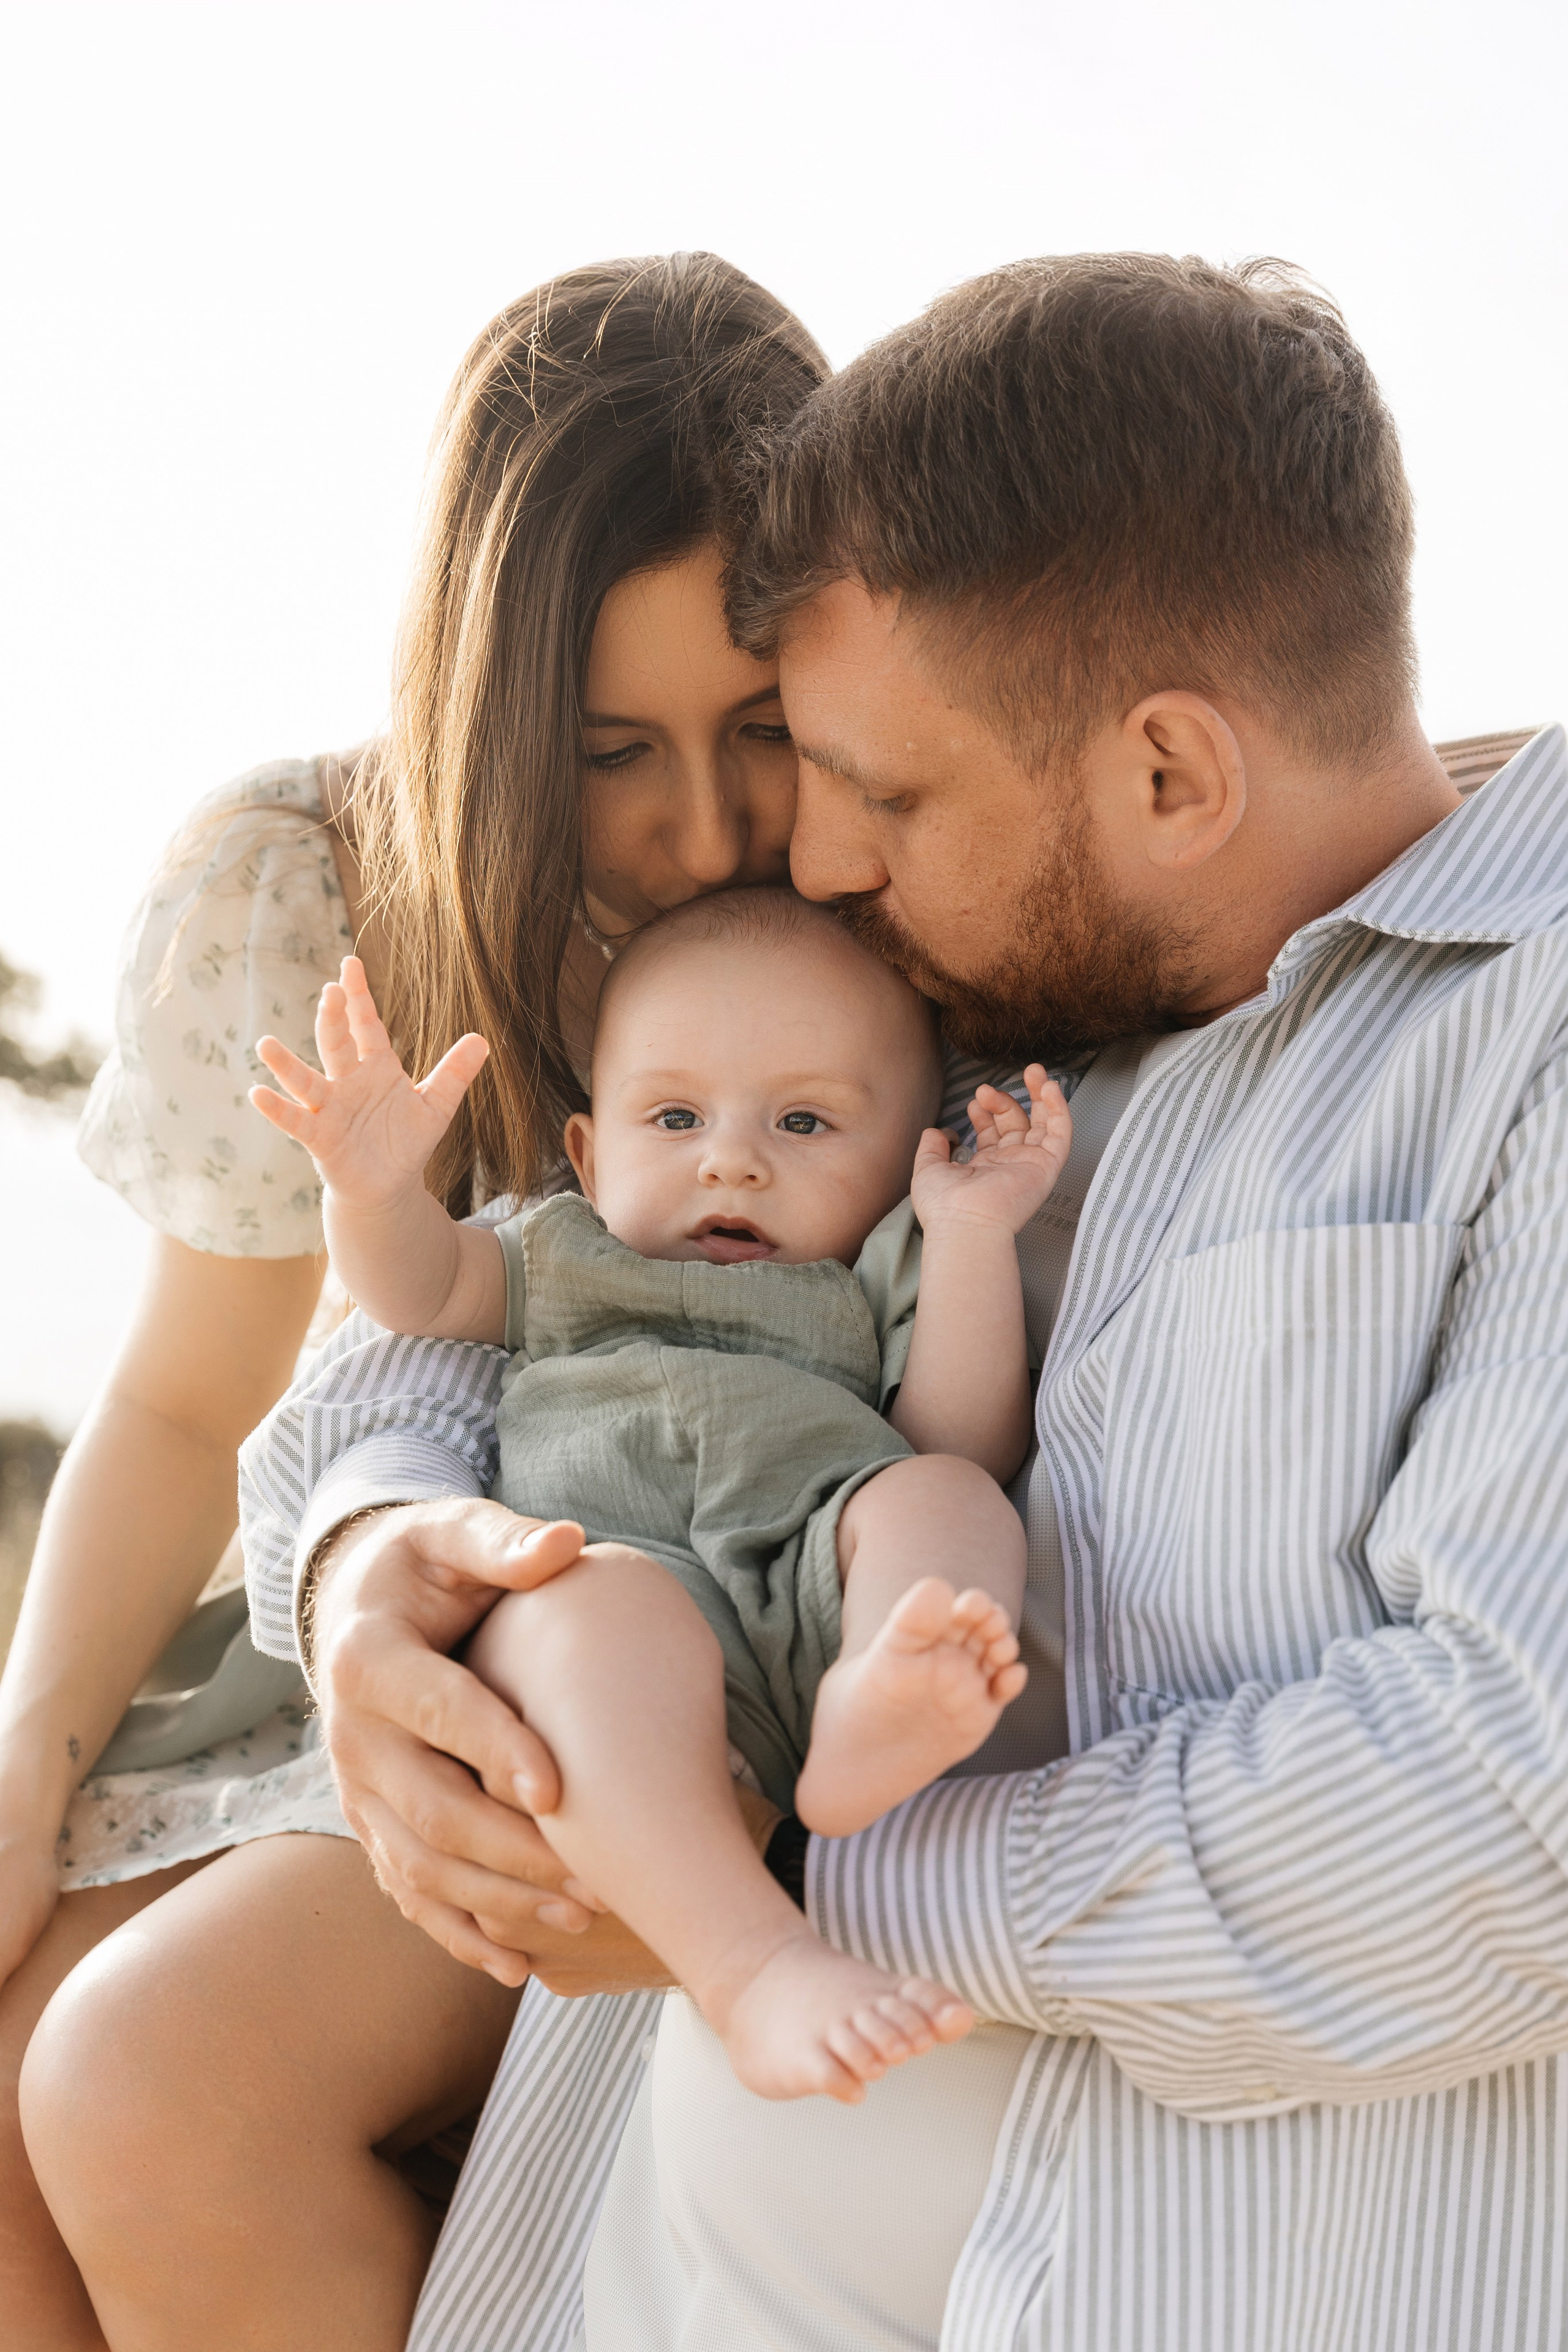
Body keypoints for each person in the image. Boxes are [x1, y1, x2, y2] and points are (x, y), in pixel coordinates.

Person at [223, 254, 1562, 2352]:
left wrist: (752, 1880)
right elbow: (480, 1318)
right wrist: (376, 1562)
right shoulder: (1004, 986)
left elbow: (1511, 1810)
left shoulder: (1509, 1035)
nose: (807, 866)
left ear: (1175, 779)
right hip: (619, 2274)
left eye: (880, 790)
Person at [4, 251, 832, 2350]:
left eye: (759, 728)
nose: (706, 821)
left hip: (650, 1624)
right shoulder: (306, 889)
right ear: (488, 693)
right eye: (614, 744)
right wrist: (27, 1760)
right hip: (331, 1641)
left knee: (150, 2085)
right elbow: (191, 1406)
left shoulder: (871, 879)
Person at [250, 894, 1070, 2098]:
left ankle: (869, 1709)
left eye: (802, 1121)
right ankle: (754, 1970)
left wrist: (969, 1235)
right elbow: (416, 1291)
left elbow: (958, 1431)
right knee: (589, 1602)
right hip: (608, 1603)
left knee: (942, 1494)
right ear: (587, 1154)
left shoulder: (869, 1272)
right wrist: (373, 1193)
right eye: (674, 1115)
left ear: (901, 1158)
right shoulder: (564, 1251)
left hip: (813, 1576)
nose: (730, 1157)